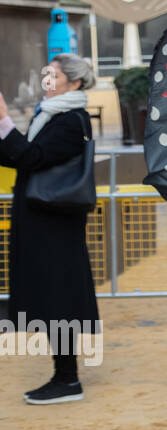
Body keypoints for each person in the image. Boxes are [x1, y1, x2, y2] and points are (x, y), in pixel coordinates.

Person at [0, 54, 99, 404]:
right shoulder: (51, 114)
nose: (46, 81)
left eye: (52, 75)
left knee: (59, 295)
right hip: (43, 218)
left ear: (73, 82)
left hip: (55, 220)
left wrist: (5, 122)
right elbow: (19, 156)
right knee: (51, 294)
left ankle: (67, 379)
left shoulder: (71, 120)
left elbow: (31, 158)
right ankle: (64, 376)